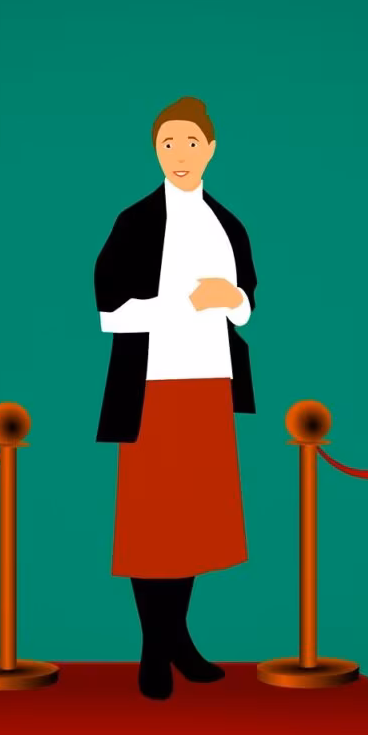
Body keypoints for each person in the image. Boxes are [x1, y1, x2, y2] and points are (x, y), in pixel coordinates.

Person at [93, 97, 258, 700]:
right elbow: (108, 310)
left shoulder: (228, 223)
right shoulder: (134, 222)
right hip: (152, 388)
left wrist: (229, 300)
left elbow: (249, 303)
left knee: (193, 523)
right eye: (168, 144)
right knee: (150, 526)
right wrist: (181, 305)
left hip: (211, 384)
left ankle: (178, 640)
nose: (179, 155)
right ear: (155, 151)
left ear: (211, 149)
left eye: (191, 143)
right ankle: (153, 650)